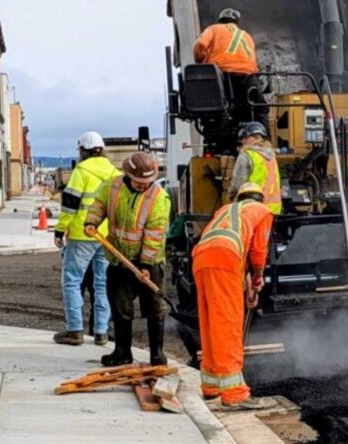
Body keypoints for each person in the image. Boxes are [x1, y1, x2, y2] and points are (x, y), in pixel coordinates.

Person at [192, 182, 275, 409]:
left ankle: (211, 386)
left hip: (201, 258)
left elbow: (238, 253)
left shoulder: (226, 211)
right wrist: (258, 277)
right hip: (225, 258)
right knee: (228, 323)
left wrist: (247, 286)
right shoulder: (262, 212)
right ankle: (235, 393)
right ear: (261, 199)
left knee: (210, 321)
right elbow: (257, 253)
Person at [84, 152, 171, 367]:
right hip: (118, 259)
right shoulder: (112, 187)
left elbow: (154, 234)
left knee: (154, 307)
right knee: (121, 307)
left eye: (147, 183)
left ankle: (157, 354)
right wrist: (92, 221)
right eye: (139, 182)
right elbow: (99, 205)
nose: (143, 186)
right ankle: (122, 352)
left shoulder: (159, 198)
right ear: (128, 175)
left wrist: (145, 265)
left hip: (150, 262)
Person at [53, 131, 121, 346]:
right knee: (102, 283)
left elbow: (70, 204)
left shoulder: (81, 171)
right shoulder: (114, 174)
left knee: (72, 281)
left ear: (83, 151)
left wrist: (60, 229)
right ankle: (101, 332)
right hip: (105, 236)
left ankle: (75, 330)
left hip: (83, 234)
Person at [193, 8, 269, 135]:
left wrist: (199, 61)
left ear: (220, 20)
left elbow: (200, 44)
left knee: (220, 110)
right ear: (236, 22)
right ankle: (266, 141)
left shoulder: (214, 29)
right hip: (248, 78)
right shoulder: (247, 36)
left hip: (223, 77)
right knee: (260, 109)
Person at [227, 122, 282, 214]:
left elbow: (237, 183)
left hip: (253, 210)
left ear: (257, 137)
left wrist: (231, 195)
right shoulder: (271, 154)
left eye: (245, 137)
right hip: (273, 210)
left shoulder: (246, 156)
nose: (242, 141)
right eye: (241, 138)